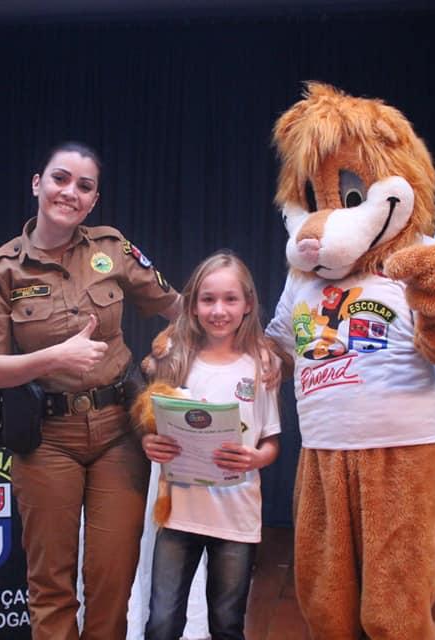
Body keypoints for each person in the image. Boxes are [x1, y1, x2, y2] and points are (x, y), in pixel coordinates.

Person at [0, 141, 182, 640]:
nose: (70, 192)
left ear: (93, 200)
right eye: (60, 179)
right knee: (51, 583)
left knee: (112, 580)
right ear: (37, 183)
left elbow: (178, 308)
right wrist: (54, 358)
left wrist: (237, 346)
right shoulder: (0, 268)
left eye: (84, 186)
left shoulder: (112, 249)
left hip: (118, 433)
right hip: (46, 439)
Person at [140, 250, 281, 640]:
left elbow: (271, 440)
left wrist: (256, 457)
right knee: (162, 623)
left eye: (230, 299)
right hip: (178, 515)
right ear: (192, 305)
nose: (219, 310)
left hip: (236, 517)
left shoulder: (262, 365)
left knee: (227, 624)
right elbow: (150, 425)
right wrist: (150, 442)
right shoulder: (173, 359)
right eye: (208, 299)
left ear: (248, 304)